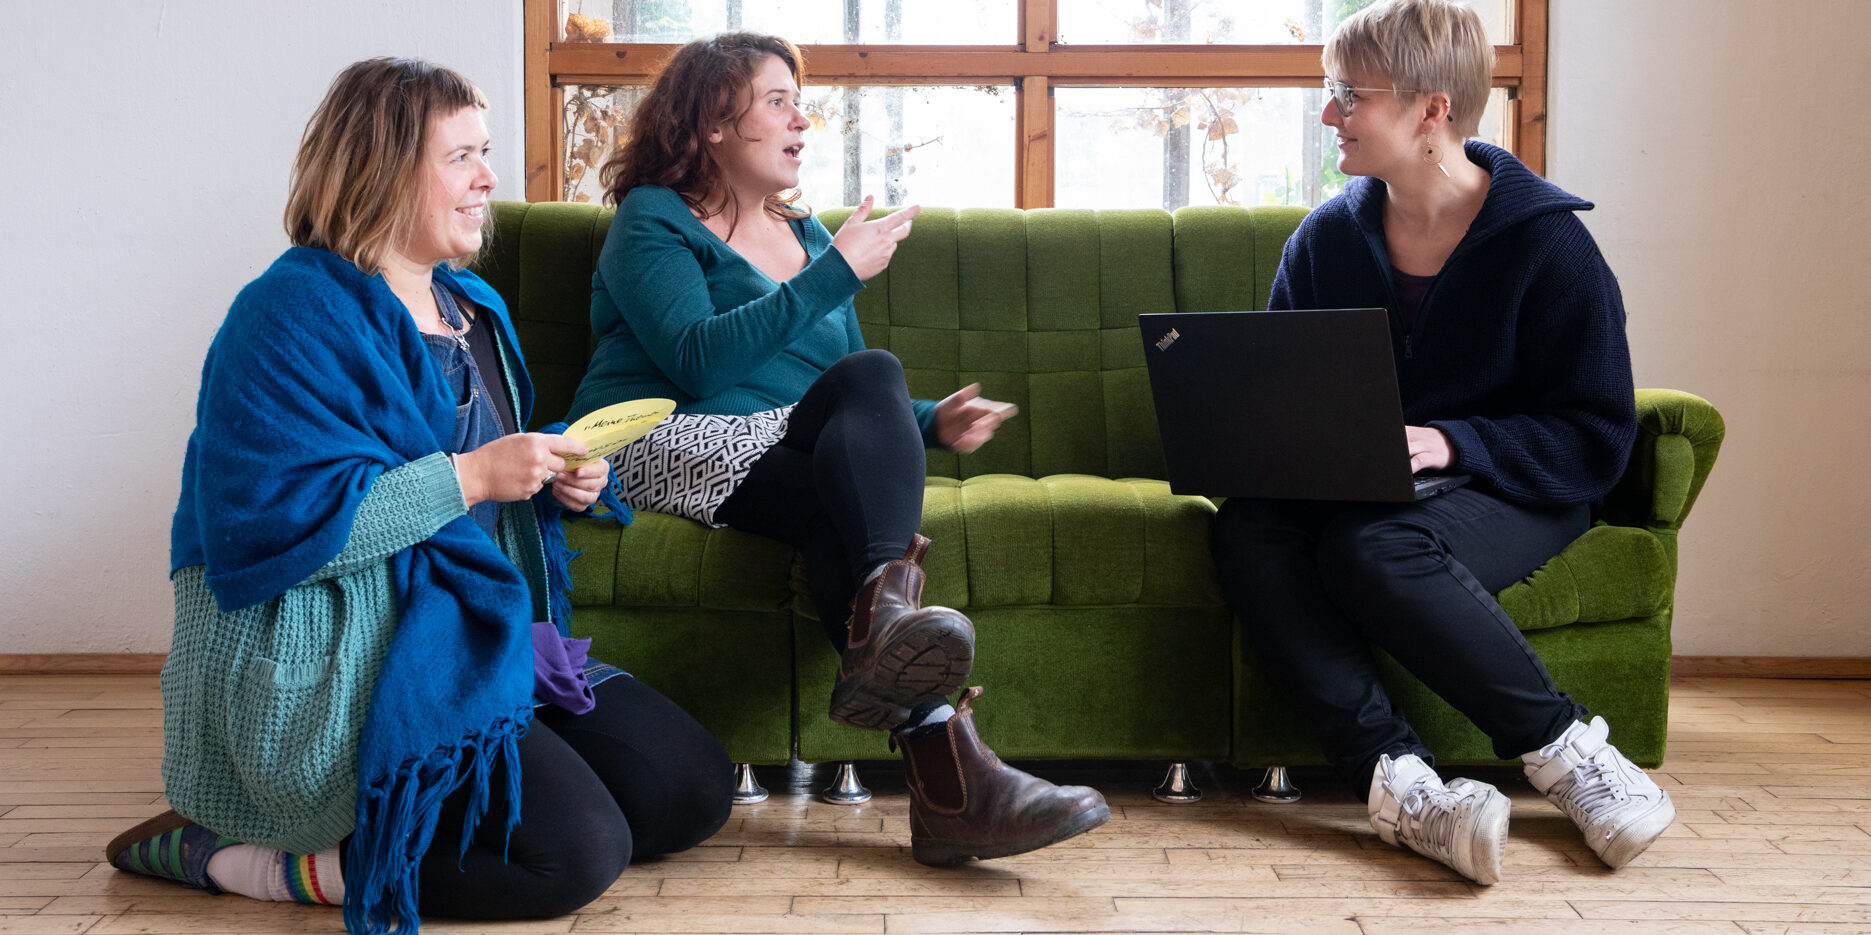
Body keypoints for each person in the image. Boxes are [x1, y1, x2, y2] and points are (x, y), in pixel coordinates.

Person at [105, 58, 733, 933]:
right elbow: (269, 533)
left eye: (487, 153)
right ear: (384, 169)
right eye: (462, 157)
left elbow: (476, 493)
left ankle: (458, 793)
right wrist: (475, 475)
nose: (488, 179)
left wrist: (554, 482)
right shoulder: (287, 314)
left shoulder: (470, 304)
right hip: (352, 650)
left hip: (473, 627)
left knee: (690, 790)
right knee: (575, 854)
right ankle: (239, 856)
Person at [567, 32, 1109, 866]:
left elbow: (827, 383)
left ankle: (909, 695)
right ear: (712, 119)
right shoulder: (655, 219)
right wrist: (836, 275)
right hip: (656, 436)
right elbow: (697, 360)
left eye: (799, 100)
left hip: (775, 441)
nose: (802, 119)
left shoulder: (807, 229)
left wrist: (930, 421)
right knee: (870, 384)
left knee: (848, 469)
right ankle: (946, 750)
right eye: (778, 100)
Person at [1208, 0, 1675, 885]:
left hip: (1518, 484)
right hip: (1366, 485)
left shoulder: (1548, 246)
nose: (1327, 113)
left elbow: (1595, 430)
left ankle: (1570, 753)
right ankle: (1403, 787)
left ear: (1432, 109)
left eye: (1348, 93)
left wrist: (1451, 444)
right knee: (1246, 528)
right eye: (1326, 90)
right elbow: (1287, 396)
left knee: (1372, 546)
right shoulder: (1326, 240)